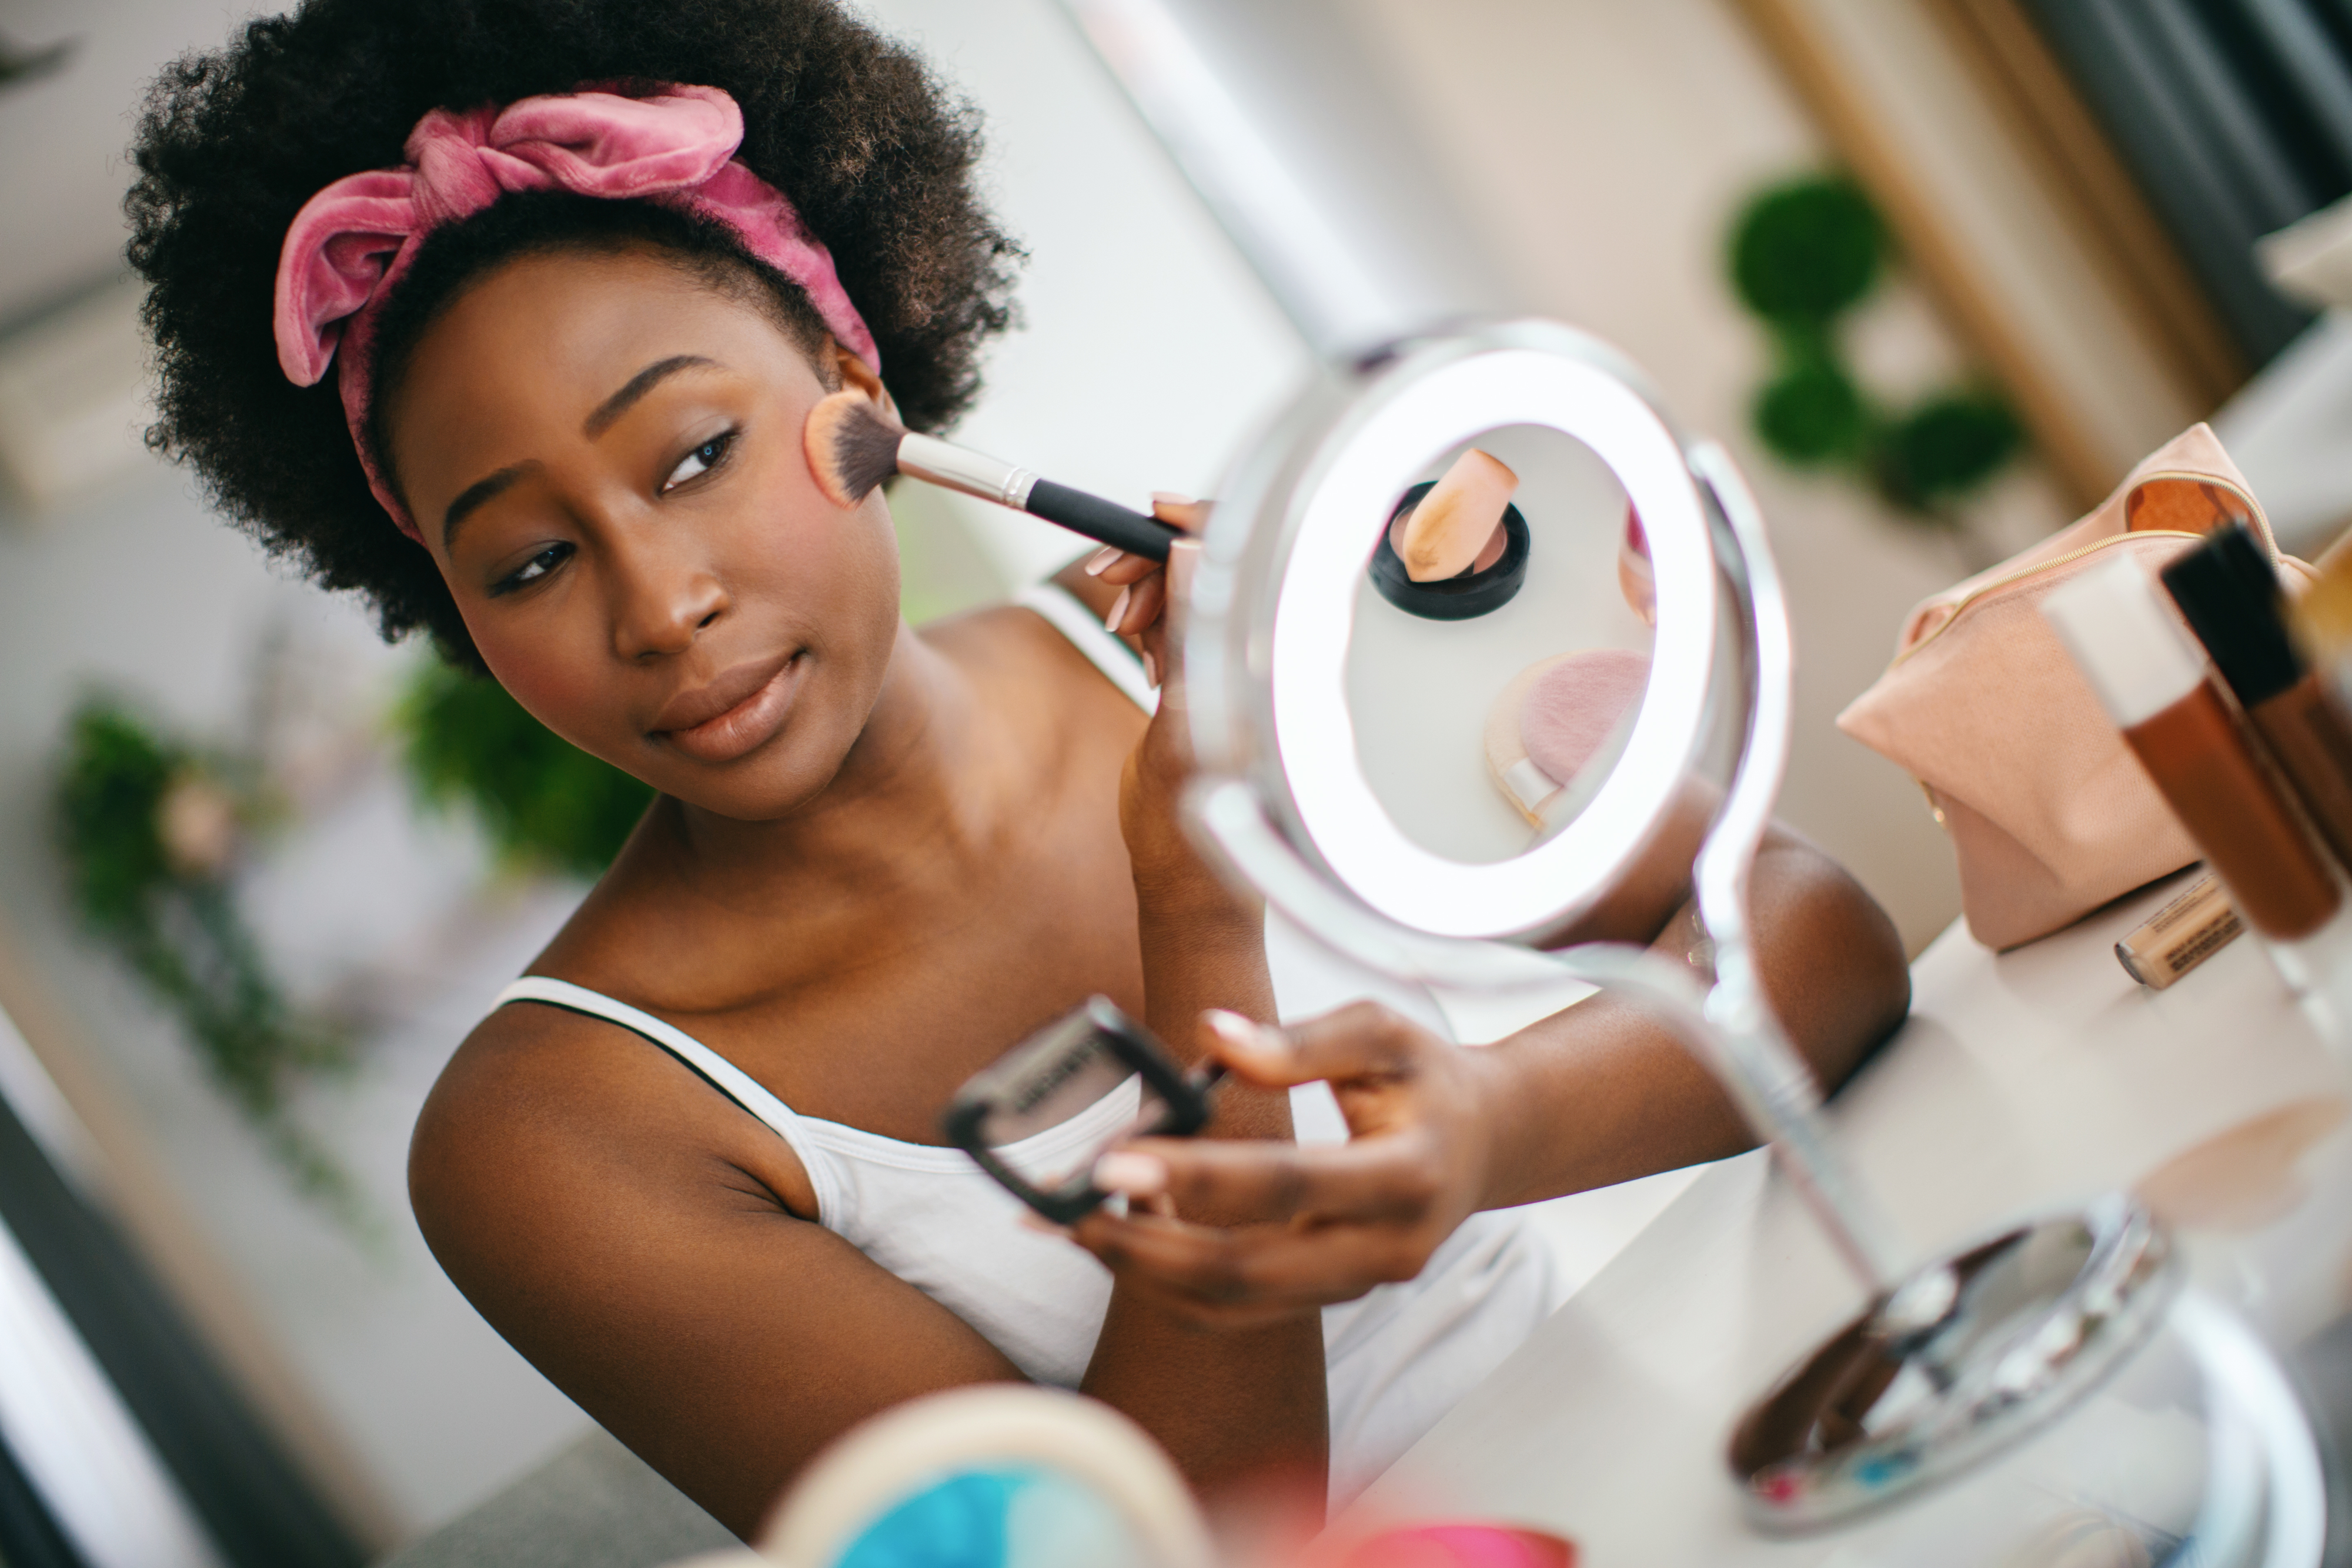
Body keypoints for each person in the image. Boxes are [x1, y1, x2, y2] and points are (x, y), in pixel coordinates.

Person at [128, 0, 1910, 1538]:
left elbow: (1815, 942)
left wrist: (1488, 1128)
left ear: (855, 385)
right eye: (524, 562)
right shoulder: (558, 1140)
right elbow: (1144, 1550)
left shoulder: (1186, 638)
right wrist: (1199, 906)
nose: (660, 605)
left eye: (691, 456)